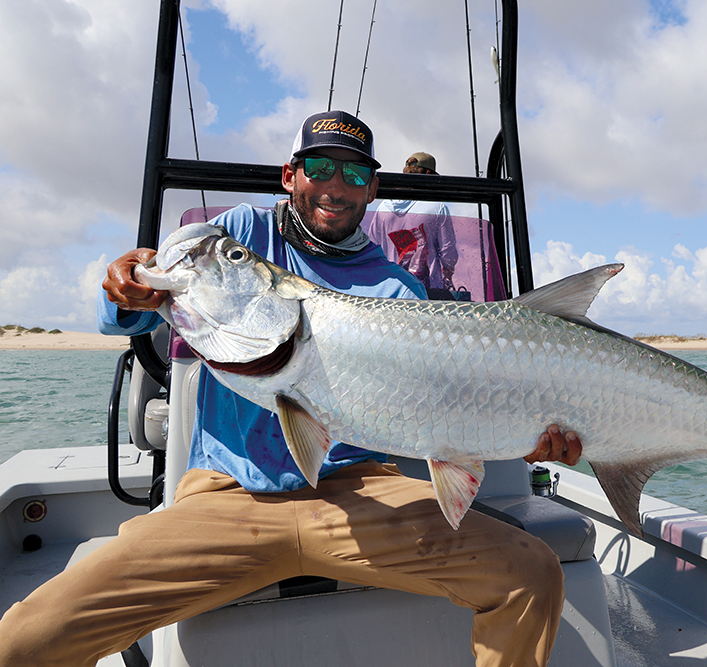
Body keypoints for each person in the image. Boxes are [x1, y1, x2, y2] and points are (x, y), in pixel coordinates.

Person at [0, 110, 582, 667]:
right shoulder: (236, 237)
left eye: (355, 173)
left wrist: (520, 429)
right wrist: (123, 292)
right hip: (226, 497)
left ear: (372, 189)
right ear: (290, 176)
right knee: (27, 638)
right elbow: (128, 316)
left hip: (361, 492)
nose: (337, 185)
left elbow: (441, 408)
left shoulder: (397, 288)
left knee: (531, 572)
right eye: (320, 167)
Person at [368, 152, 459, 298]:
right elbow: (448, 254)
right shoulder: (436, 207)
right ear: (428, 174)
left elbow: (372, 246)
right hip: (427, 294)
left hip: (391, 291)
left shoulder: (383, 207)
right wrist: (448, 270)